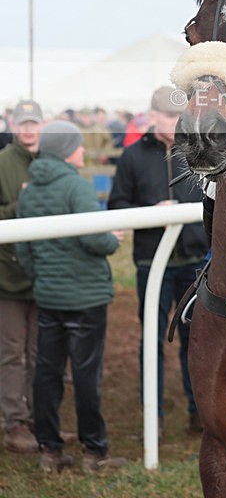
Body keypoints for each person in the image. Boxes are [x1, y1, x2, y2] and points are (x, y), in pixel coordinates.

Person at [15, 121, 127, 473]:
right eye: (78, 145)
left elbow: (24, 249)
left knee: (47, 374)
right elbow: (94, 239)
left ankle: (49, 450)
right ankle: (95, 452)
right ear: (66, 150)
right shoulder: (76, 186)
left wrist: (43, 278)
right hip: (85, 298)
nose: (82, 151)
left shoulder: (29, 190)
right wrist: (113, 239)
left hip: (49, 296)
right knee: (85, 374)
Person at [107, 85, 208, 436]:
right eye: (168, 116)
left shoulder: (197, 152)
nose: (176, 122)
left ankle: (201, 413)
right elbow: (117, 206)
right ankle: (155, 416)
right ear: (152, 116)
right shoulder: (132, 157)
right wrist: (151, 213)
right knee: (151, 339)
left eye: (180, 116)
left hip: (195, 261)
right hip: (152, 263)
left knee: (196, 341)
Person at [0, 99, 43, 453]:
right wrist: (20, 205)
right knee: (12, 351)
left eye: (34, 122)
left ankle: (35, 416)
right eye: (23, 123)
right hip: (8, 276)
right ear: (14, 126)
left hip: (44, 274)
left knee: (38, 349)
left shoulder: (51, 161)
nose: (29, 129)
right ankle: (13, 421)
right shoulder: (2, 163)